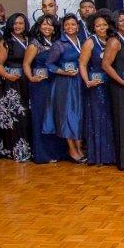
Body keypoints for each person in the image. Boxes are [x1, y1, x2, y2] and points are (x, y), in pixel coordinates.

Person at [23, 15, 65, 165]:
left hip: (56, 82)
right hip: (40, 85)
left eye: (50, 25)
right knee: (41, 116)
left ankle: (58, 151)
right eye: (44, 24)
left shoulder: (58, 42)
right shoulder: (35, 44)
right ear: (39, 26)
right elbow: (26, 64)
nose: (47, 27)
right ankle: (43, 153)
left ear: (55, 28)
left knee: (55, 116)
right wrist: (31, 78)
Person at [0, 13, 32, 162]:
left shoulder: (29, 40)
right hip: (12, 84)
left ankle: (29, 149)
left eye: (20, 23)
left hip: (27, 82)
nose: (17, 26)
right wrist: (7, 76)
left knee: (27, 116)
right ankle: (16, 150)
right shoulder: (6, 42)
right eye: (15, 23)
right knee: (16, 117)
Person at [44, 14, 84, 163]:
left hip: (80, 82)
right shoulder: (59, 44)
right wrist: (64, 72)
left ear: (78, 26)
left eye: (73, 24)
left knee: (79, 115)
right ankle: (72, 150)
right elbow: (49, 64)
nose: (70, 27)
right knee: (68, 116)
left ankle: (80, 148)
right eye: (67, 25)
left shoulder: (82, 41)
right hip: (65, 84)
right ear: (63, 27)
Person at [101, 10, 124, 171]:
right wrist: (121, 81)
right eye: (121, 20)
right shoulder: (114, 41)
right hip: (119, 86)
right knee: (122, 123)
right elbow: (105, 65)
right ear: (115, 23)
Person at [78, 14, 116, 166]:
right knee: (98, 118)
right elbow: (82, 64)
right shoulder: (90, 42)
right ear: (93, 28)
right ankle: (99, 155)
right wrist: (87, 81)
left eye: (104, 25)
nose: (102, 28)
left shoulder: (112, 40)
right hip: (96, 86)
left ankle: (111, 154)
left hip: (111, 83)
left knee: (110, 118)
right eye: (98, 26)